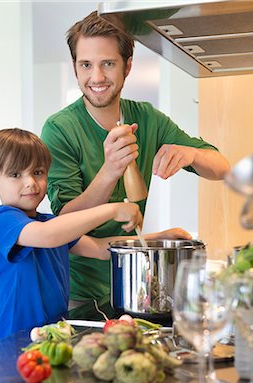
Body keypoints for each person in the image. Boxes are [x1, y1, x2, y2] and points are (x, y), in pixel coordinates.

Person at [41, 11, 228, 319]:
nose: (97, 77)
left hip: (134, 285)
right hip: (75, 294)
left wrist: (192, 155)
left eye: (108, 63)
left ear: (127, 66)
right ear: (75, 68)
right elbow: (65, 222)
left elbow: (221, 167)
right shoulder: (60, 129)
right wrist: (109, 171)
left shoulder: (147, 118)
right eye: (86, 64)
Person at [0, 128, 190, 342]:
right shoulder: (2, 221)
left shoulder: (50, 222)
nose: (30, 183)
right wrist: (112, 210)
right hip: (13, 342)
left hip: (55, 337)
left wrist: (160, 238)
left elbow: (102, 249)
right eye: (16, 175)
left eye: (38, 172)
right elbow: (47, 236)